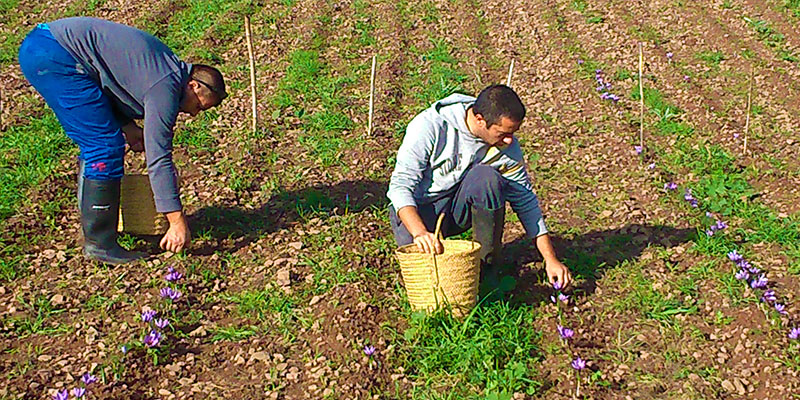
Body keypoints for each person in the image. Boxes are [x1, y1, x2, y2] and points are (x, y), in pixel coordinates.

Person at [18, 17, 227, 264]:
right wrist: (176, 221)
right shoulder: (166, 87)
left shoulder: (166, 68)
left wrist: (128, 127)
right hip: (55, 54)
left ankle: (95, 234)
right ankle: (100, 243)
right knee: (103, 146)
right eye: (200, 107)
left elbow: (107, 81)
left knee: (100, 143)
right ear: (194, 86)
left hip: (48, 43)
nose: (193, 113)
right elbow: (159, 156)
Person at [387, 84, 572, 289]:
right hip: (420, 210)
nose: (509, 140)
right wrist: (420, 232)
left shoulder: (506, 145)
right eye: (502, 133)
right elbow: (400, 186)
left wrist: (550, 259)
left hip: (457, 207)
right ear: (480, 120)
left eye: (513, 133)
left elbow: (525, 200)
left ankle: (486, 268)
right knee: (425, 280)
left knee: (487, 178)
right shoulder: (430, 127)